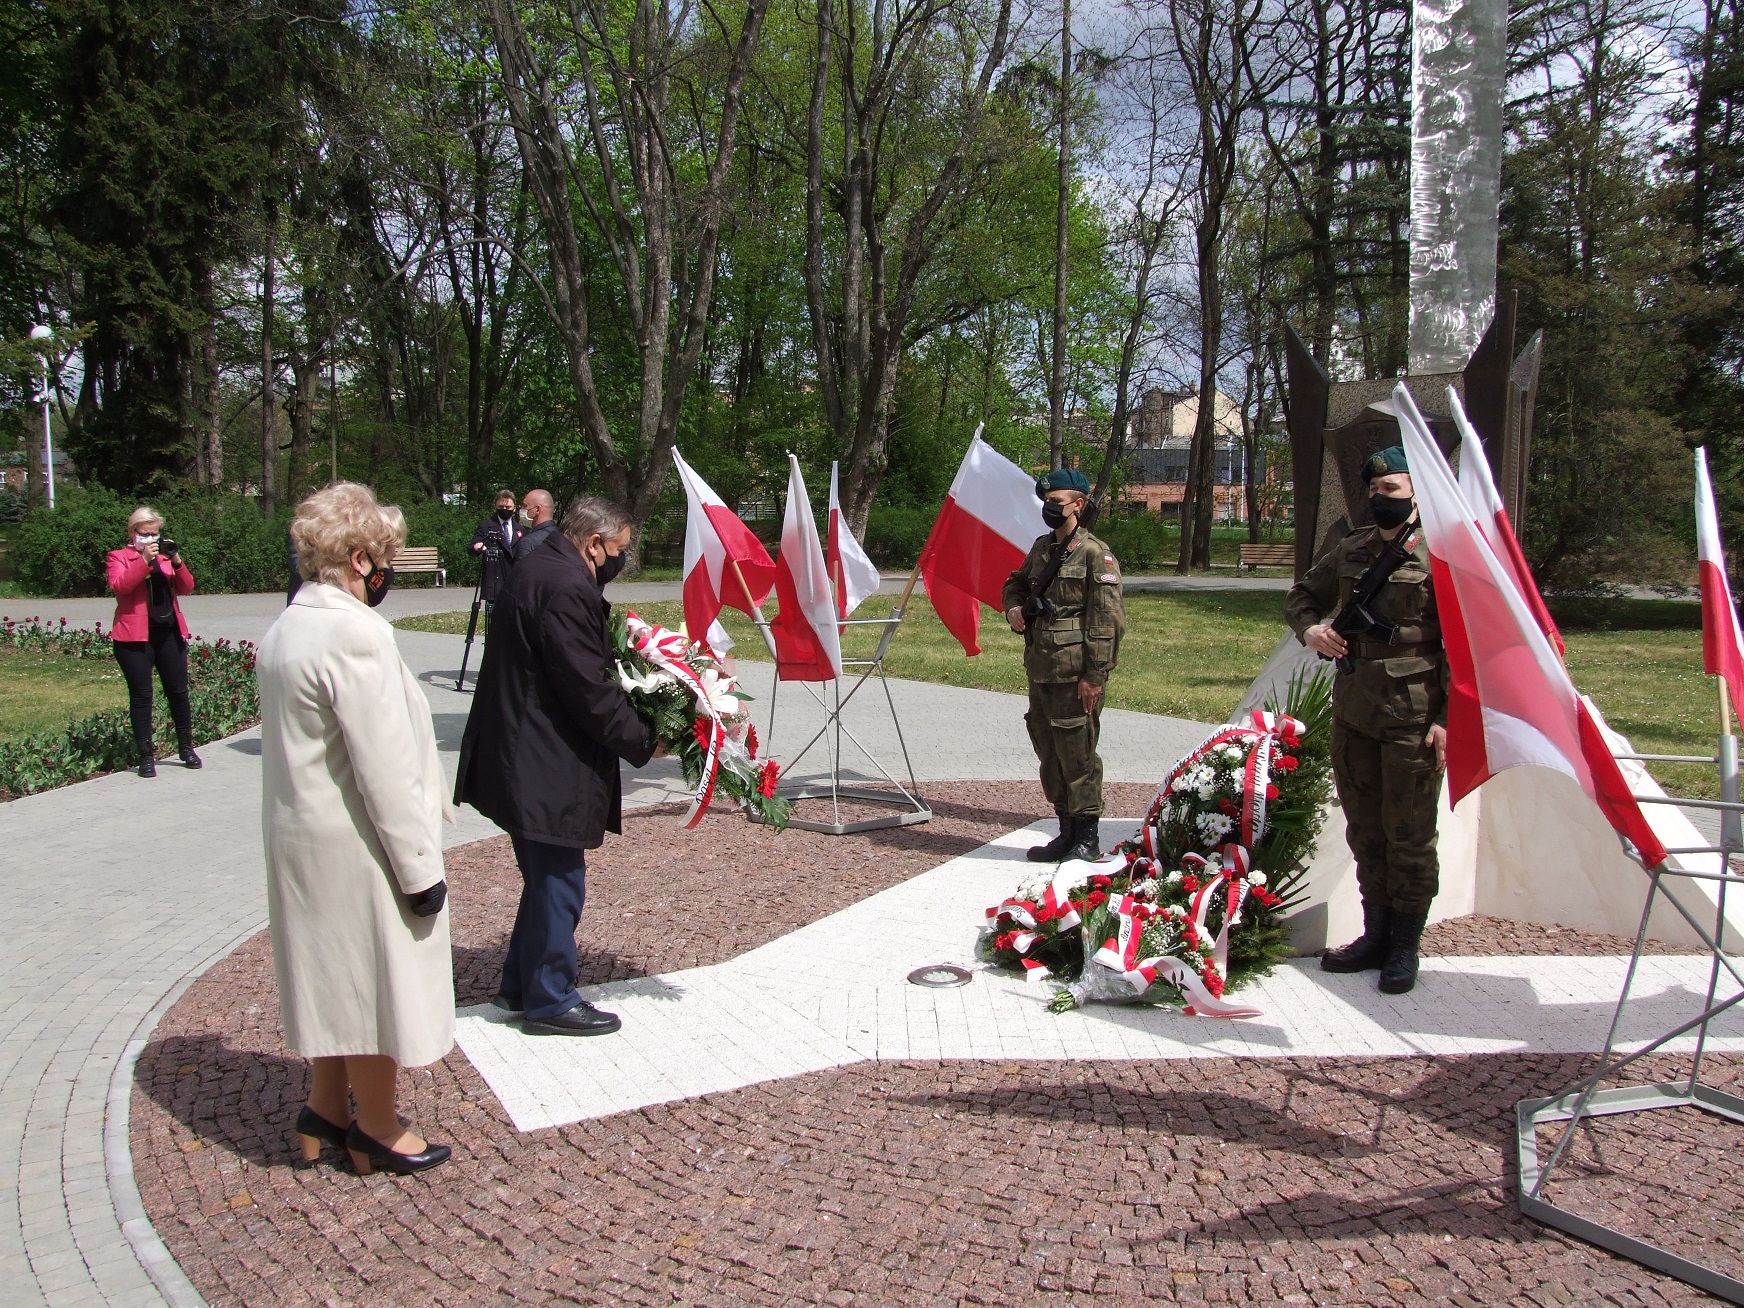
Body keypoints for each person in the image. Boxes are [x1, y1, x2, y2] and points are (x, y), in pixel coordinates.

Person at [258, 482, 454, 1176]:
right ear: (361, 557)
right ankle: (375, 1124)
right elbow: (385, 768)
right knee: (372, 981)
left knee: (333, 976)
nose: (386, 574)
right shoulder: (355, 634)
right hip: (358, 840)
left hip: (303, 834)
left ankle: (324, 1108)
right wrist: (419, 871)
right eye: (385, 560)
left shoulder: (287, 627)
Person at [455, 496, 657, 1037]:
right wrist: (646, 738)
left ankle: (520, 985)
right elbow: (587, 688)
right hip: (540, 757)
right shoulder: (565, 585)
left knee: (544, 876)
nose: (621, 559)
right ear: (594, 543)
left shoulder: (541, 565)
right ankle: (550, 999)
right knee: (559, 879)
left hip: (523, 748)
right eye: (619, 549)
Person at [1285, 445, 1447, 995]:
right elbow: (1302, 596)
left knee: (1410, 835)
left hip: (1413, 714)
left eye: (1391, 489)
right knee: (1365, 829)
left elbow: (1465, 644)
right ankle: (1375, 934)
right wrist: (1311, 631)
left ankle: (1405, 944)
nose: (1380, 498)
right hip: (1355, 709)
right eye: (1374, 490)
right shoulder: (1353, 547)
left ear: (1417, 492)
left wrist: (1448, 718)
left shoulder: (1442, 554)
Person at [1001, 468, 1127, 864]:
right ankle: (1066, 831)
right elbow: (1015, 583)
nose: (1049, 508)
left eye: (1056, 502)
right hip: (1041, 668)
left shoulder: (1094, 554)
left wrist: (1095, 676)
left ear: (1078, 504)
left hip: (1075, 674)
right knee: (1049, 751)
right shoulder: (1042, 548)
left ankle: (1087, 836)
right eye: (1046, 502)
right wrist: (1013, 609)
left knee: (1078, 753)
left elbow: (1106, 621)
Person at [107, 506, 199, 778]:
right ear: (132, 533)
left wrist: (177, 560)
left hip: (168, 634)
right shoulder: (118, 557)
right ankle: (146, 756)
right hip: (134, 638)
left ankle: (186, 747)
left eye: (155, 534)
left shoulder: (165, 557)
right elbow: (120, 586)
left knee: (178, 692)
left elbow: (187, 586)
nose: (150, 539)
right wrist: (143, 560)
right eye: (144, 534)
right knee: (142, 696)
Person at [470, 488, 521, 606]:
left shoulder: (521, 529)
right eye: (501, 507)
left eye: (508, 507)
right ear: (495, 507)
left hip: (515, 582)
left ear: (514, 508)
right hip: (495, 583)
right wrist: (477, 547)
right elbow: (472, 547)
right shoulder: (486, 526)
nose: (504, 509)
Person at [514, 488, 558, 561]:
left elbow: (523, 568)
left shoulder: (528, 543)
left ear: (537, 509)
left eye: (525, 506)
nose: (522, 509)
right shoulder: (566, 538)